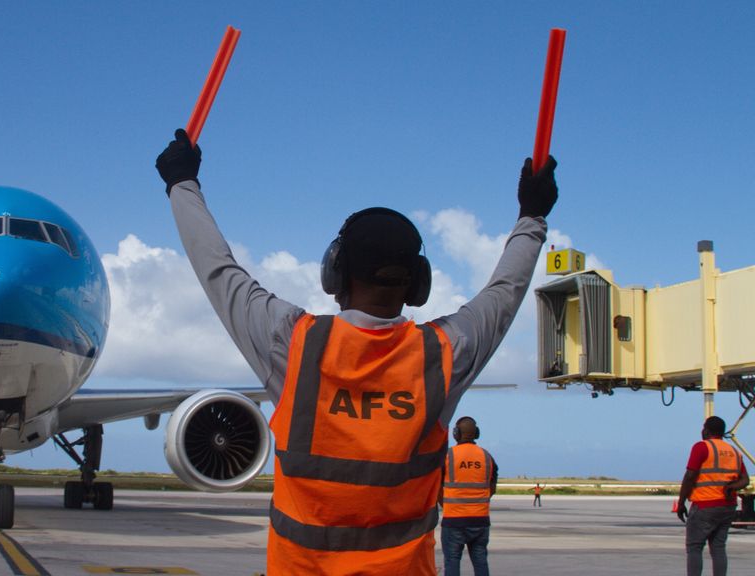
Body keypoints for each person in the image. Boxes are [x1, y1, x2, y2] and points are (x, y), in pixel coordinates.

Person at [155, 128, 558, 576]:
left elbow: (217, 268)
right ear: (417, 282)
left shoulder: (293, 343)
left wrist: (181, 183)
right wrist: (532, 215)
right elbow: (505, 293)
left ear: (335, 273)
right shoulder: (446, 354)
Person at [677, 416, 749, 576]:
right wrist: (732, 487)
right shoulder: (734, 452)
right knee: (718, 548)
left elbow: (690, 475)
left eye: (704, 428)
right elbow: (745, 480)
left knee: (694, 547)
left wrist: (681, 502)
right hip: (728, 506)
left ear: (707, 430)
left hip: (705, 505)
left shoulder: (702, 447)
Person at [439, 416, 497, 575]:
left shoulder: (448, 456)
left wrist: (446, 504)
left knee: (452, 560)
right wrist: (479, 502)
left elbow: (437, 485)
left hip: (453, 519)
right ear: (476, 433)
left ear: (456, 433)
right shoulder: (486, 457)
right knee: (480, 561)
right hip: (480, 519)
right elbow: (492, 486)